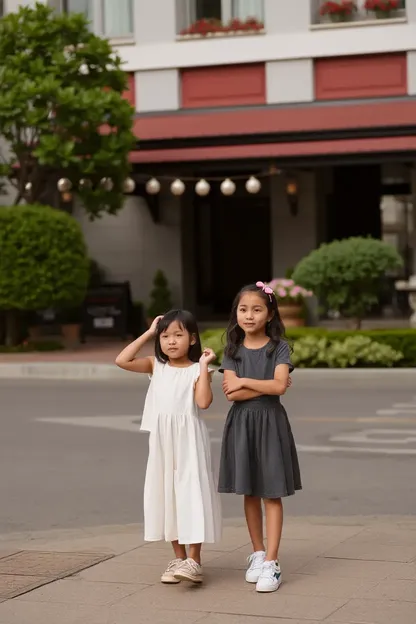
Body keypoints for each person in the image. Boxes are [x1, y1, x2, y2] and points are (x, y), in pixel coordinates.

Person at [115, 309, 221, 586]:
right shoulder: (155, 365)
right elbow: (121, 360)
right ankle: (178, 557)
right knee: (168, 494)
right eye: (165, 336)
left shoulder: (199, 370)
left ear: (193, 338)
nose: (171, 341)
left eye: (178, 335)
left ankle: (194, 561)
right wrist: (149, 332)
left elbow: (203, 402)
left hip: (189, 441)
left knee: (191, 493)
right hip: (162, 442)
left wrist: (202, 367)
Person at [218, 281, 301, 593]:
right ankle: (256, 552)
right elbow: (229, 393)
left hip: (270, 421)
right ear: (236, 314)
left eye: (256, 309)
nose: (249, 315)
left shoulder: (278, 347)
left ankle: (272, 560)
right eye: (243, 309)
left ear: (269, 314)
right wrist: (258, 383)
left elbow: (279, 388)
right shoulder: (232, 350)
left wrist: (244, 381)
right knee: (248, 491)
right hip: (242, 423)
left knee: (272, 493)